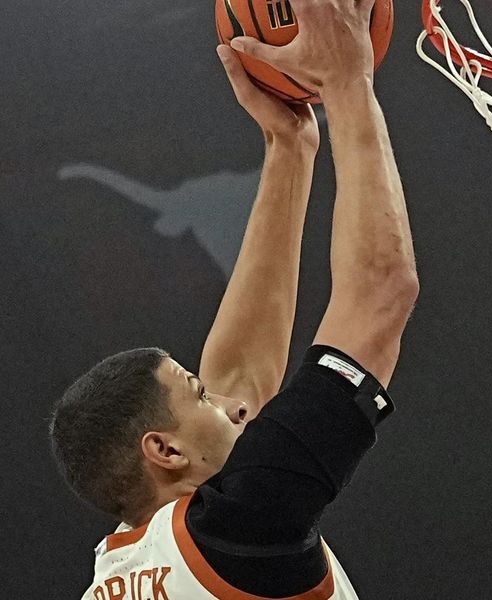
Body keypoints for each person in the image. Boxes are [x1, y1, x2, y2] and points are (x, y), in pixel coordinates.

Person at [48, 0, 419, 597]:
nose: (234, 404)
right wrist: (348, 79)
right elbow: (380, 291)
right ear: (165, 449)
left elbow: (241, 378)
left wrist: (289, 143)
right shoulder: (242, 529)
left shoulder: (122, 565)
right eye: (199, 395)